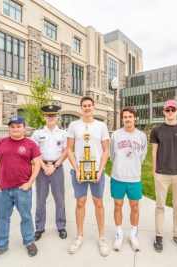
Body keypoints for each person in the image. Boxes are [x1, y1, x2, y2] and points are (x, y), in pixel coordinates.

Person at [0, 117, 42, 263]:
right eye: (12, 127)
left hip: (22, 189)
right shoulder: (1, 143)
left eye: (18, 126)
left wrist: (30, 183)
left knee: (26, 216)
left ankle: (29, 241)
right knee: (2, 218)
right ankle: (1, 245)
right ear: (9, 128)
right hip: (2, 189)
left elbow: (37, 164)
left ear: (24, 128)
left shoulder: (30, 144)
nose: (15, 129)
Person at [66, 96, 110, 257]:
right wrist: (76, 168)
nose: (87, 108)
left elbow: (106, 150)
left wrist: (100, 169)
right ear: (81, 108)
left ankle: (102, 237)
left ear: (94, 107)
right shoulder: (73, 125)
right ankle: (79, 236)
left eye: (89, 105)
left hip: (96, 170)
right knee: (80, 202)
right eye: (84, 106)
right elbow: (69, 149)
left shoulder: (101, 126)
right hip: (79, 171)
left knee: (98, 202)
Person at [150, 99, 177, 254]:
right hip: (162, 174)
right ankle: (159, 236)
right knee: (160, 206)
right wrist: (155, 170)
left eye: (173, 109)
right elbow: (154, 151)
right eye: (167, 110)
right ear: (163, 111)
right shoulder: (157, 130)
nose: (170, 112)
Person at [110, 107, 147, 252]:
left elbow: (143, 156)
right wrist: (119, 166)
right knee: (117, 206)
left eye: (130, 116)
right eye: (125, 117)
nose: (127, 119)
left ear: (135, 118)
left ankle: (133, 234)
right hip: (118, 177)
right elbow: (113, 155)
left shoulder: (142, 136)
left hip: (134, 177)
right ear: (122, 119)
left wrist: (134, 166)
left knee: (135, 206)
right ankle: (119, 234)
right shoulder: (116, 135)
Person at [31, 104, 68, 241]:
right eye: (48, 115)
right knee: (40, 199)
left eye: (53, 115)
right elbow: (34, 153)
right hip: (41, 168)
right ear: (44, 117)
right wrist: (43, 165)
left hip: (57, 168)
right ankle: (39, 227)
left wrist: (55, 165)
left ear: (57, 117)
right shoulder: (37, 134)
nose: (51, 117)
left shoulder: (63, 133)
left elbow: (66, 152)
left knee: (60, 199)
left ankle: (61, 226)